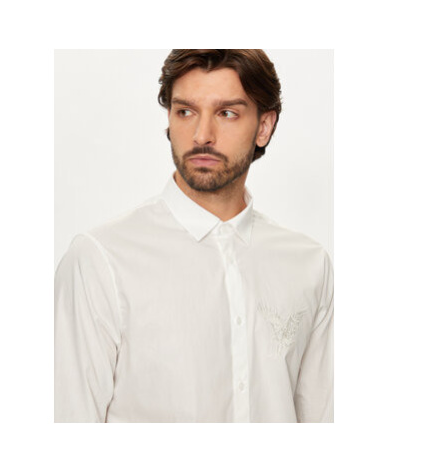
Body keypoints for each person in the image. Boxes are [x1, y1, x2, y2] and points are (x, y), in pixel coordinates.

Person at [54, 49, 333, 423]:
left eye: (227, 113)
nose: (202, 135)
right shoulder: (101, 260)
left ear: (264, 127)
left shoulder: (308, 265)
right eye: (185, 112)